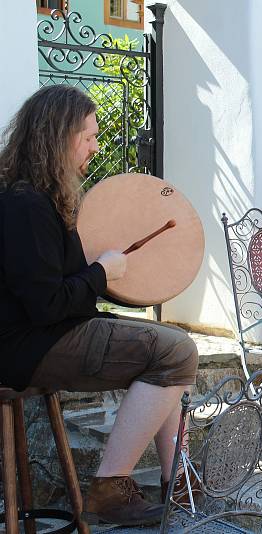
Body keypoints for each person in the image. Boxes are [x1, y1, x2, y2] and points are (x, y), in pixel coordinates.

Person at [0, 85, 198, 525]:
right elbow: (47, 304)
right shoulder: (24, 205)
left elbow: (58, 284)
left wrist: (102, 271)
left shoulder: (43, 200)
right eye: (87, 137)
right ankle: (110, 488)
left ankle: (177, 482)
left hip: (51, 334)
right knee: (176, 349)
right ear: (58, 136)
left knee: (174, 351)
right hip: (30, 346)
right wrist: (101, 273)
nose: (95, 146)